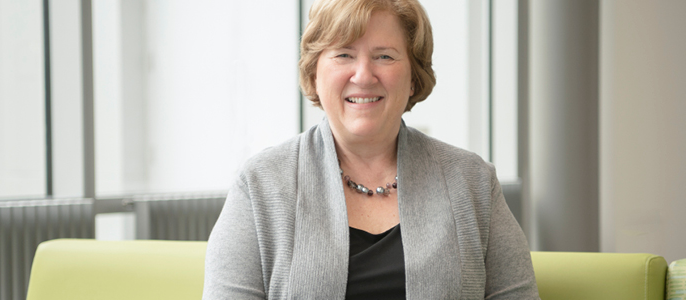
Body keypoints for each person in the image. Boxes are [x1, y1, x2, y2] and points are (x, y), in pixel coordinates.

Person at [203, 0, 539, 298]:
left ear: (412, 78)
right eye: (344, 54)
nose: (363, 75)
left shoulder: (473, 182)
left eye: (384, 56)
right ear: (315, 73)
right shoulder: (260, 185)